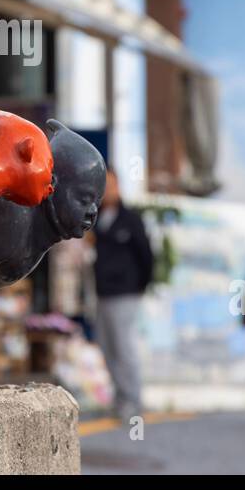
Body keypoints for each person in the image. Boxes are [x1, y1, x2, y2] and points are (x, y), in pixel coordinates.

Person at [91, 168, 154, 422]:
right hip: (103, 293)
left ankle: (133, 400)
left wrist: (140, 286)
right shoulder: (96, 220)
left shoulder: (131, 219)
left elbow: (146, 256)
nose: (108, 189)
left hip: (126, 294)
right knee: (107, 348)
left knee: (124, 348)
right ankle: (120, 398)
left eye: (111, 184)